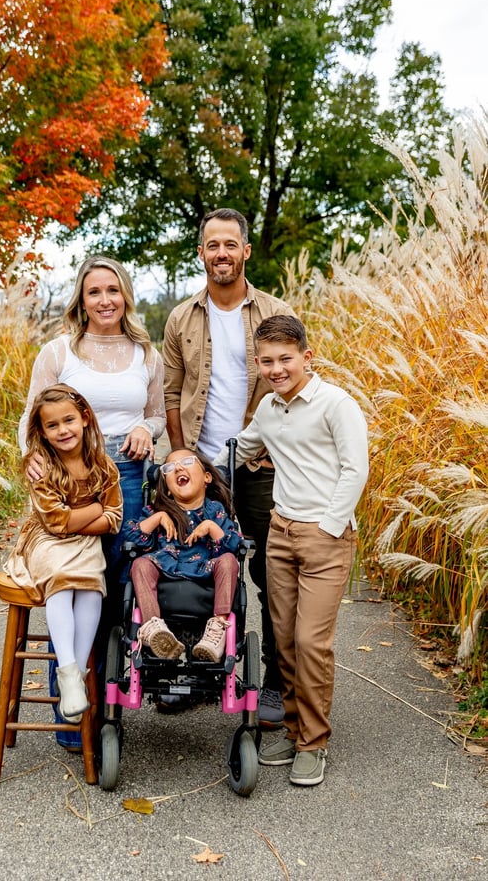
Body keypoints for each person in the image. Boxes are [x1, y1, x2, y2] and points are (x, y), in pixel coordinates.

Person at [218, 314, 369, 786]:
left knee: (311, 642)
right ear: (258, 364)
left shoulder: (335, 404)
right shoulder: (268, 408)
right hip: (279, 533)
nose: (277, 368)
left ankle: (314, 741)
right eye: (267, 361)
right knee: (283, 639)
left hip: (324, 535)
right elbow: (240, 451)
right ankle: (289, 725)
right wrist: (186, 472)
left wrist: (328, 525)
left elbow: (355, 470)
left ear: (307, 356)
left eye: (286, 359)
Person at [20, 255, 165, 741]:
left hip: (124, 478)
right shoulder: (59, 352)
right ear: (81, 301)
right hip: (66, 477)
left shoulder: (147, 353)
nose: (105, 300)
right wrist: (30, 458)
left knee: (115, 595)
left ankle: (108, 711)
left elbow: (158, 413)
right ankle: (70, 720)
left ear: (125, 294)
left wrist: (146, 427)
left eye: (113, 290)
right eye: (94, 292)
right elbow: (32, 419)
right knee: (70, 584)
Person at [162, 207, 294, 725]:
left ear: (245, 251)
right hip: (201, 468)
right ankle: (192, 674)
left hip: (260, 469)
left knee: (270, 573)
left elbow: (294, 384)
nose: (221, 254)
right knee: (189, 564)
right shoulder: (180, 317)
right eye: (212, 245)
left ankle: (276, 686)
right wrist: (181, 459)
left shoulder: (275, 312)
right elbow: (172, 394)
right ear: (202, 253)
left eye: (230, 245)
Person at [4, 384, 123, 722]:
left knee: (90, 586)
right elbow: (54, 523)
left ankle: (75, 680)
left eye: (68, 420)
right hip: (45, 541)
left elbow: (113, 519)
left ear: (85, 418)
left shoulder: (102, 465)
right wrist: (94, 509)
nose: (63, 430)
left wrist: (78, 519)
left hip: (83, 543)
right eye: (52, 425)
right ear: (41, 431)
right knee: (61, 580)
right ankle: (68, 672)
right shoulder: (42, 465)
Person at [125, 448, 242, 663]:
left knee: (229, 561)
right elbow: (131, 535)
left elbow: (235, 545)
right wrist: (158, 517)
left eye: (187, 462)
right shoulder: (158, 510)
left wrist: (212, 528)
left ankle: (217, 628)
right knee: (140, 564)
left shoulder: (215, 511)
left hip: (206, 570)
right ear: (167, 488)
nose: (178, 467)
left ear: (207, 477)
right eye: (169, 467)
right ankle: (154, 629)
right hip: (166, 570)